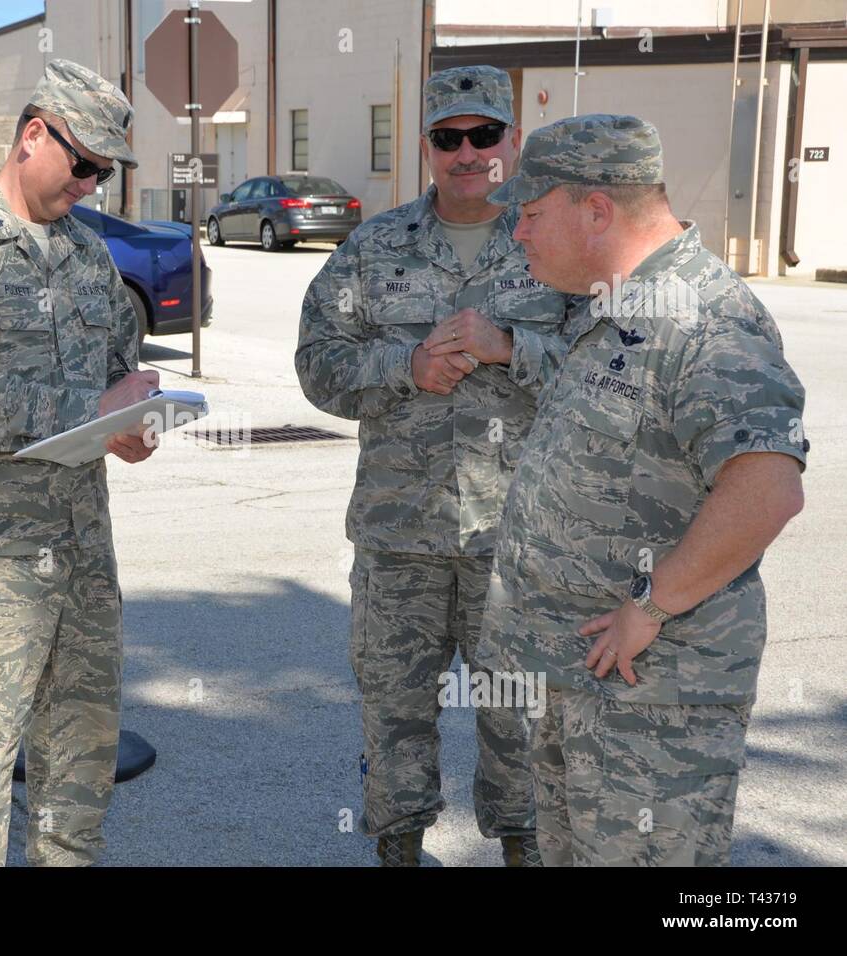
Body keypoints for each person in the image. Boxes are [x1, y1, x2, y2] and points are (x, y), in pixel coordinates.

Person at [479, 114, 808, 866]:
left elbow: (766, 489)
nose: (518, 236)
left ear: (596, 209)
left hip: (657, 706)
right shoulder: (619, 305)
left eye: (530, 216)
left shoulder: (706, 319)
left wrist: (653, 605)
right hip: (588, 684)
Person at [296, 65, 575, 866]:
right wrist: (404, 366)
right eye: (448, 138)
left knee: (520, 723)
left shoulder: (554, 242)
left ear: (512, 141)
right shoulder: (372, 247)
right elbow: (318, 365)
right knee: (395, 719)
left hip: (518, 544)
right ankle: (400, 852)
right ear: (426, 148)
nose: (467, 153)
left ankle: (526, 852)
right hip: (398, 541)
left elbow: (611, 370)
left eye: (484, 134)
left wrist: (512, 347)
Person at [0, 59, 158, 866]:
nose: (89, 184)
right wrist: (97, 411)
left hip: (82, 549)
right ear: (32, 135)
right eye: (81, 163)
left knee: (79, 770)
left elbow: (119, 369)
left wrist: (138, 416)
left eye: (103, 173)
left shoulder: (88, 258)